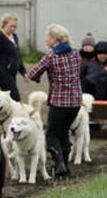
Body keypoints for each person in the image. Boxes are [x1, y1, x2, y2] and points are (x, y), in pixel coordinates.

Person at [25, 23, 82, 178]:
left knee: (51, 135)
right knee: (63, 133)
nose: (46, 40)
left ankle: (60, 164)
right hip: (76, 102)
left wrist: (32, 78)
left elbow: (34, 73)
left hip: (59, 102)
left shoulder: (51, 56)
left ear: (55, 39)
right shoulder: (76, 54)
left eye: (48, 37)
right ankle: (65, 168)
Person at [0, 13, 26, 102]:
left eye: (15, 27)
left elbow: (17, 55)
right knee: (15, 97)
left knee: (8, 99)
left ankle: (5, 113)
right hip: (2, 72)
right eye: (10, 26)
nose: (13, 29)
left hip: (12, 72)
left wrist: (23, 72)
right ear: (4, 25)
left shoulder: (15, 37)